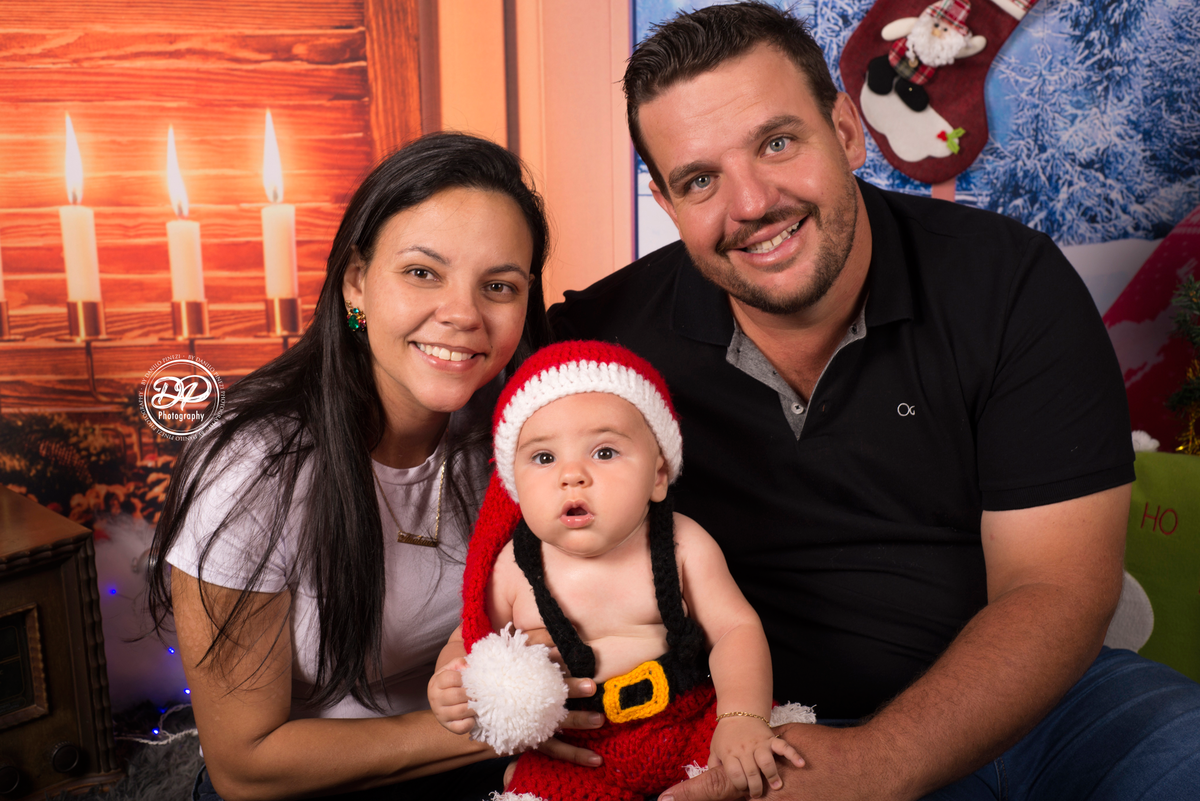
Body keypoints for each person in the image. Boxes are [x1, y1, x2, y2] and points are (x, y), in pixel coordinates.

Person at [549, 3, 1200, 800]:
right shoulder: (598, 345)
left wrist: (878, 762)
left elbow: (1056, 587)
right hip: (758, 730)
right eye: (701, 179)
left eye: (777, 143)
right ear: (666, 200)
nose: (751, 203)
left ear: (847, 131)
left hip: (1041, 705)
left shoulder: (1009, 284)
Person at [147, 133, 602, 801]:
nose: (462, 314)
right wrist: (501, 727)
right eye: (422, 272)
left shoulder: (519, 433)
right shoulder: (252, 464)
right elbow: (245, 764)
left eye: (498, 286)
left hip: (469, 753)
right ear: (356, 280)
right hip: (311, 781)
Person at [428, 341, 808, 800]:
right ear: (513, 484)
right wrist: (451, 678)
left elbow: (735, 630)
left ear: (658, 475)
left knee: (767, 771)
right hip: (580, 752)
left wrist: (742, 718)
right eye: (544, 458)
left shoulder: (682, 543)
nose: (572, 474)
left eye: (604, 452)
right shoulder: (513, 568)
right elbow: (471, 639)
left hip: (688, 721)